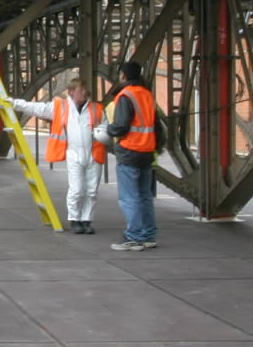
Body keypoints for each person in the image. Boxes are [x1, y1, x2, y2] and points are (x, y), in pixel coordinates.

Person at [12, 77, 108, 234]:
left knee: (91, 191)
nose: (85, 92)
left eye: (85, 90)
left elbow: (105, 127)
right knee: (77, 189)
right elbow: (36, 108)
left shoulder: (96, 109)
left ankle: (86, 220)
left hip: (94, 154)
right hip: (74, 154)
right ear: (71, 92)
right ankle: (75, 219)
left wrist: (104, 133)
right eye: (81, 90)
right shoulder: (60, 107)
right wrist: (14, 103)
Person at [104, 60, 162, 251]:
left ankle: (133, 237)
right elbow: (157, 127)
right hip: (147, 152)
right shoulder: (147, 95)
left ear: (123, 75)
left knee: (129, 197)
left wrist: (107, 130)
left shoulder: (125, 96)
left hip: (130, 151)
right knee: (145, 195)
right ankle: (148, 236)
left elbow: (121, 125)